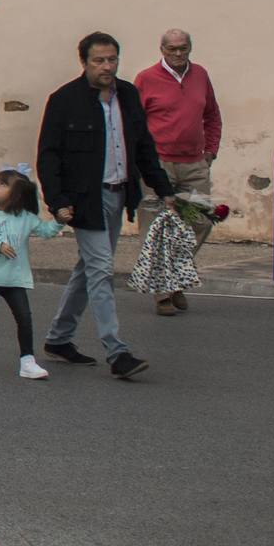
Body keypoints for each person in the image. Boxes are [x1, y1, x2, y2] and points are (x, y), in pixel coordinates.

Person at [37, 32, 175, 380]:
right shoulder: (64, 100)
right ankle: (117, 352)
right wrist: (58, 201)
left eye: (112, 59)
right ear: (84, 62)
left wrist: (164, 188)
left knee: (88, 268)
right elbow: (48, 156)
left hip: (118, 195)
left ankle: (58, 339)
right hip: (85, 199)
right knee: (100, 270)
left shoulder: (128, 95)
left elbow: (143, 147)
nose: (107, 66)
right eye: (99, 60)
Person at [135, 28, 223, 316]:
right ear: (161, 49)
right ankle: (163, 293)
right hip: (158, 165)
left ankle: (174, 279)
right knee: (155, 227)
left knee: (199, 221)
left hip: (194, 164)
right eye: (171, 48)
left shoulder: (200, 75)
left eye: (182, 48)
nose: (177, 54)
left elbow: (211, 116)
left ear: (190, 49)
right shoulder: (146, 79)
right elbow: (134, 122)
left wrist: (210, 151)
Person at [0, 170, 66, 379]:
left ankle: (27, 361)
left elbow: (46, 231)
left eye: (3, 184)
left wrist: (60, 220)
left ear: (16, 194)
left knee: (24, 318)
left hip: (16, 279)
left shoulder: (26, 218)